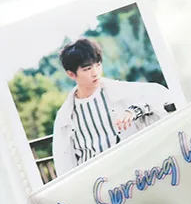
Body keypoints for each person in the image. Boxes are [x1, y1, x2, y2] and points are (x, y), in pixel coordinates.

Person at [51, 38, 176, 177]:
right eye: (87, 69)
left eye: (98, 65)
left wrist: (134, 111)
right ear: (71, 74)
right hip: (95, 180)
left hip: (133, 172)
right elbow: (64, 162)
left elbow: (160, 95)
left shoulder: (118, 91)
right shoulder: (66, 116)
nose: (95, 72)